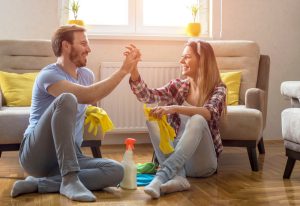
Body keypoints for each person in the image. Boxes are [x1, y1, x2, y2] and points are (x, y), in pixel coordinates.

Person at [10, 25, 140, 202]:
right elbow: (88, 95)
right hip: (37, 155)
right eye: (84, 43)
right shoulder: (48, 75)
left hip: (70, 155)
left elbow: (88, 102)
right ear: (66, 46)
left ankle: (41, 184)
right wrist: (123, 70)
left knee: (117, 170)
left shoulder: (86, 76)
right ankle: (70, 179)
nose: (89, 49)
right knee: (68, 99)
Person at [128, 41, 227, 198]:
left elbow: (209, 112)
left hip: (202, 164)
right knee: (152, 120)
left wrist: (173, 108)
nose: (181, 62)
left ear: (202, 61)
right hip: (179, 163)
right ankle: (179, 178)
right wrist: (133, 71)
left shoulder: (219, 89)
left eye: (187, 57)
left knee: (198, 119)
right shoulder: (178, 86)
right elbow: (148, 96)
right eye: (182, 57)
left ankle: (161, 176)